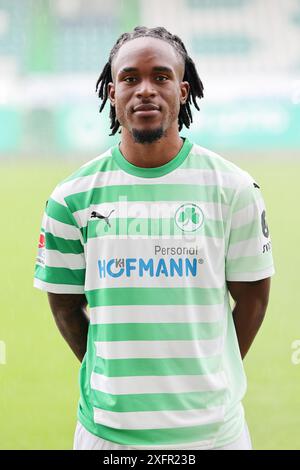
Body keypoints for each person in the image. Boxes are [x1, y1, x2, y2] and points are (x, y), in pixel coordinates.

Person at [33, 26, 274, 450]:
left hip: (214, 436)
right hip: (107, 438)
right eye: (130, 78)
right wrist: (113, 381)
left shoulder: (234, 188)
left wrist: (209, 375)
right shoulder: (69, 198)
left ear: (182, 91)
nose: (145, 89)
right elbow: (65, 305)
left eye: (160, 77)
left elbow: (254, 297)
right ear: (112, 92)